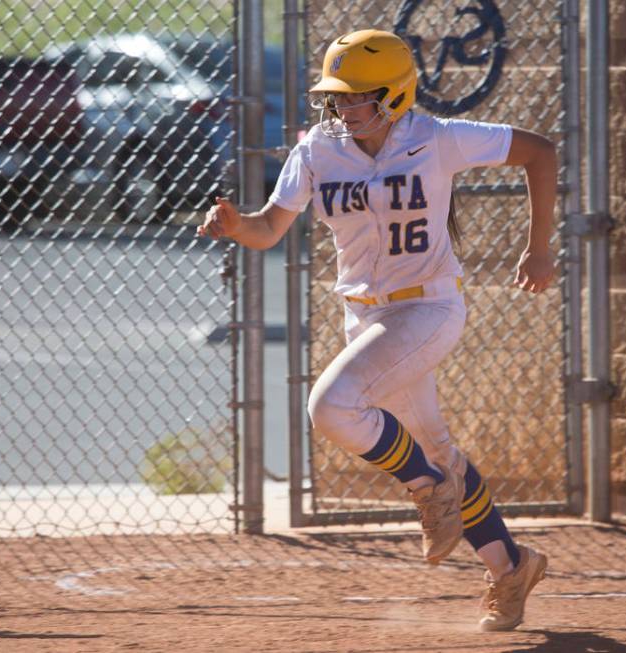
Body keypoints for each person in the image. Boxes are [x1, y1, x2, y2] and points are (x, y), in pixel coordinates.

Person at [197, 29, 555, 631]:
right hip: (365, 314)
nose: (341, 108)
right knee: (438, 448)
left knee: (331, 407)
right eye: (336, 97)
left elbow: (540, 151)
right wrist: (237, 226)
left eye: (356, 96)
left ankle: (427, 489)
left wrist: (538, 247)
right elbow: (267, 229)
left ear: (394, 95)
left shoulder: (435, 138)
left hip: (429, 309)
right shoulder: (318, 149)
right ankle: (510, 568)